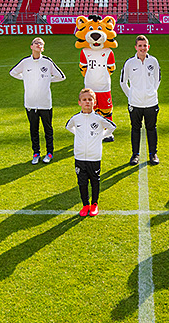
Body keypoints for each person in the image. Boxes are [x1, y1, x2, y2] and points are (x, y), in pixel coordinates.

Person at [9, 37, 66, 164]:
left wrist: (48, 80)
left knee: (48, 129)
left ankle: (49, 153)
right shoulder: (25, 62)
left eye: (41, 43)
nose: (38, 45)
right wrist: (25, 78)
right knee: (33, 129)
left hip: (45, 103)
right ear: (31, 46)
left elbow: (61, 76)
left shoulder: (47, 62)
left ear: (43, 48)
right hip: (30, 103)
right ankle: (36, 153)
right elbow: (13, 72)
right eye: (36, 43)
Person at [65, 88, 116, 217]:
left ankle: (94, 204)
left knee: (94, 181)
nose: (87, 102)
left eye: (90, 99)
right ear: (79, 102)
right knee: (82, 182)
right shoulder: (76, 118)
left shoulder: (98, 118)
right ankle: (85, 205)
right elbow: (68, 126)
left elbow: (112, 127)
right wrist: (78, 135)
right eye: (84, 99)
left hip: (94, 156)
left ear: (94, 102)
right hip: (80, 156)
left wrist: (101, 136)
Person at [119, 35, 161, 166]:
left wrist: (151, 92)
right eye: (140, 46)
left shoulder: (153, 61)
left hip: (151, 102)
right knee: (135, 129)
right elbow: (123, 82)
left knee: (151, 128)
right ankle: (135, 155)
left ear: (148, 47)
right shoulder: (129, 63)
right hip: (135, 103)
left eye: (145, 45)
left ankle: (153, 154)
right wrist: (131, 96)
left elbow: (157, 79)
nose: (142, 48)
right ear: (136, 47)